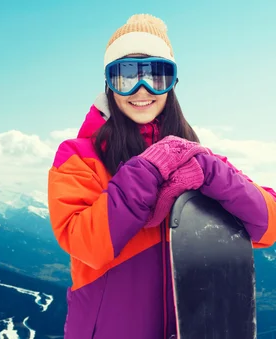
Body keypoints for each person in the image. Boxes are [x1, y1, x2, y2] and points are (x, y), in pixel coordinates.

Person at [47, 13, 276, 339]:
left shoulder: (196, 158)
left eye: (156, 76)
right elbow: (86, 243)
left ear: (172, 84)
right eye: (126, 78)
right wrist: (149, 169)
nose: (142, 90)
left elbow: (268, 224)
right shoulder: (78, 155)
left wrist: (214, 174)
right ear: (109, 85)